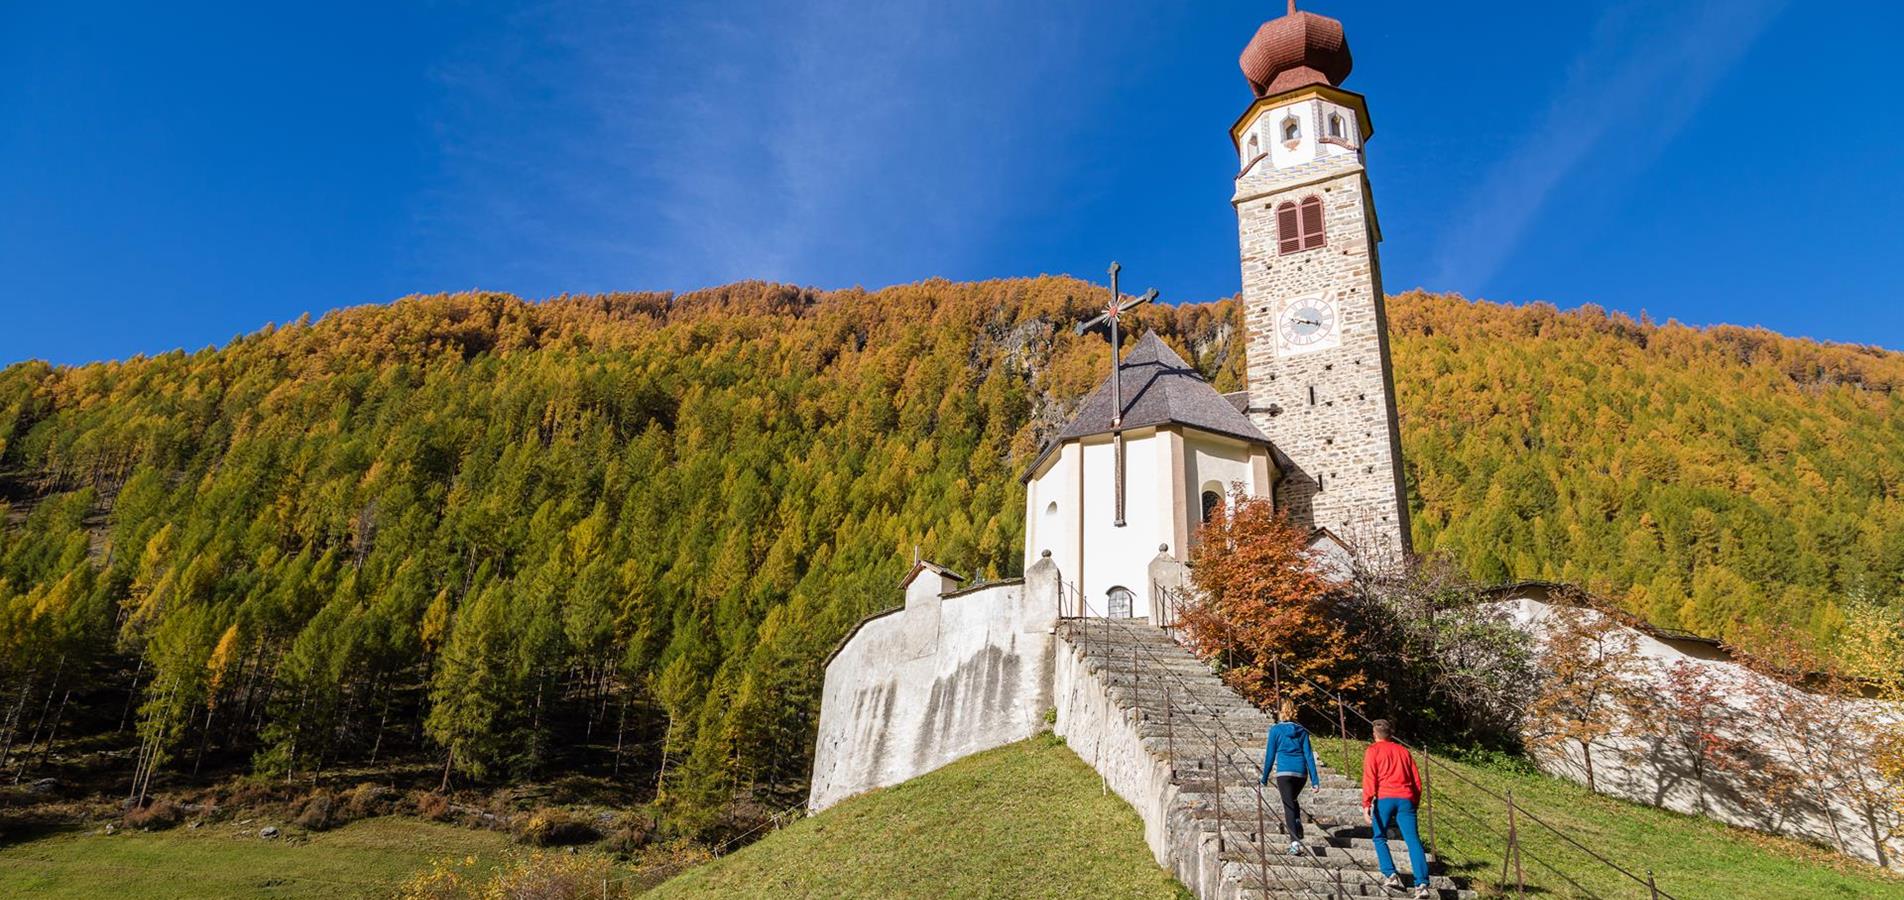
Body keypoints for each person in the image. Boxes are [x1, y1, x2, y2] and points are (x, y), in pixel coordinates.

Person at [1361, 718, 1430, 898]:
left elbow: (1370, 777)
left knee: (1379, 836)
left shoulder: (1373, 750)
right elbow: (1416, 781)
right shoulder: (1403, 751)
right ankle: (1422, 884)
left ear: (1374, 734)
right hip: (1406, 798)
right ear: (1391, 733)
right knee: (1413, 841)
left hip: (1385, 797)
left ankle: (1390, 874)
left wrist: (1366, 804)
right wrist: (1414, 801)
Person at [1259, 698, 1319, 856]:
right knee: (1292, 800)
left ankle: (1294, 843)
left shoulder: (1275, 730)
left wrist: (1264, 777)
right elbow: (1309, 755)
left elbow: (1270, 755)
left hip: (1284, 773)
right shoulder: (1302, 731)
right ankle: (1297, 820)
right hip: (1301, 773)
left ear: (1279, 712)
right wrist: (1315, 780)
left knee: (1288, 806)